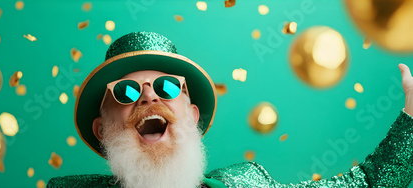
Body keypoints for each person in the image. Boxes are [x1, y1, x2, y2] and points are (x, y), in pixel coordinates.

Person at [47, 31, 413, 188]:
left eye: (168, 86)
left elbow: (366, 183)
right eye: (125, 91)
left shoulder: (247, 182)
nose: (149, 98)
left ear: (192, 116)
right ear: (103, 130)